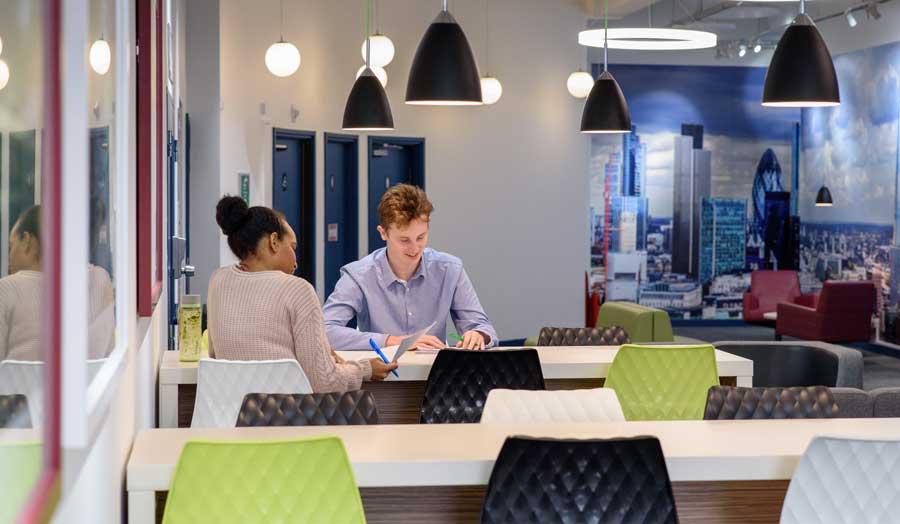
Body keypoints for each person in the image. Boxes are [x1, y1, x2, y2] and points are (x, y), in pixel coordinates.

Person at [206, 196, 396, 392]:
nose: (296, 262)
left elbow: (216, 353)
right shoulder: (298, 290)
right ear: (273, 241)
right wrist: (365, 369)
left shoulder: (217, 281)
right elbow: (324, 382)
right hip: (286, 418)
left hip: (228, 418)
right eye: (293, 247)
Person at [323, 184, 497, 350]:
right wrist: (393, 341)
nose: (414, 248)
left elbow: (484, 328)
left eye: (421, 237)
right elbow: (325, 330)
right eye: (404, 240)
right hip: (380, 376)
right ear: (383, 233)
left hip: (433, 375)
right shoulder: (358, 275)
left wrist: (478, 335)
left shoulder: (450, 269)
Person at [0, 206, 114, 361]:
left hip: (20, 385)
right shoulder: (101, 278)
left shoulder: (6, 289)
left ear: (26, 240)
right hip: (92, 385)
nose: (9, 259)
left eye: (11, 246)